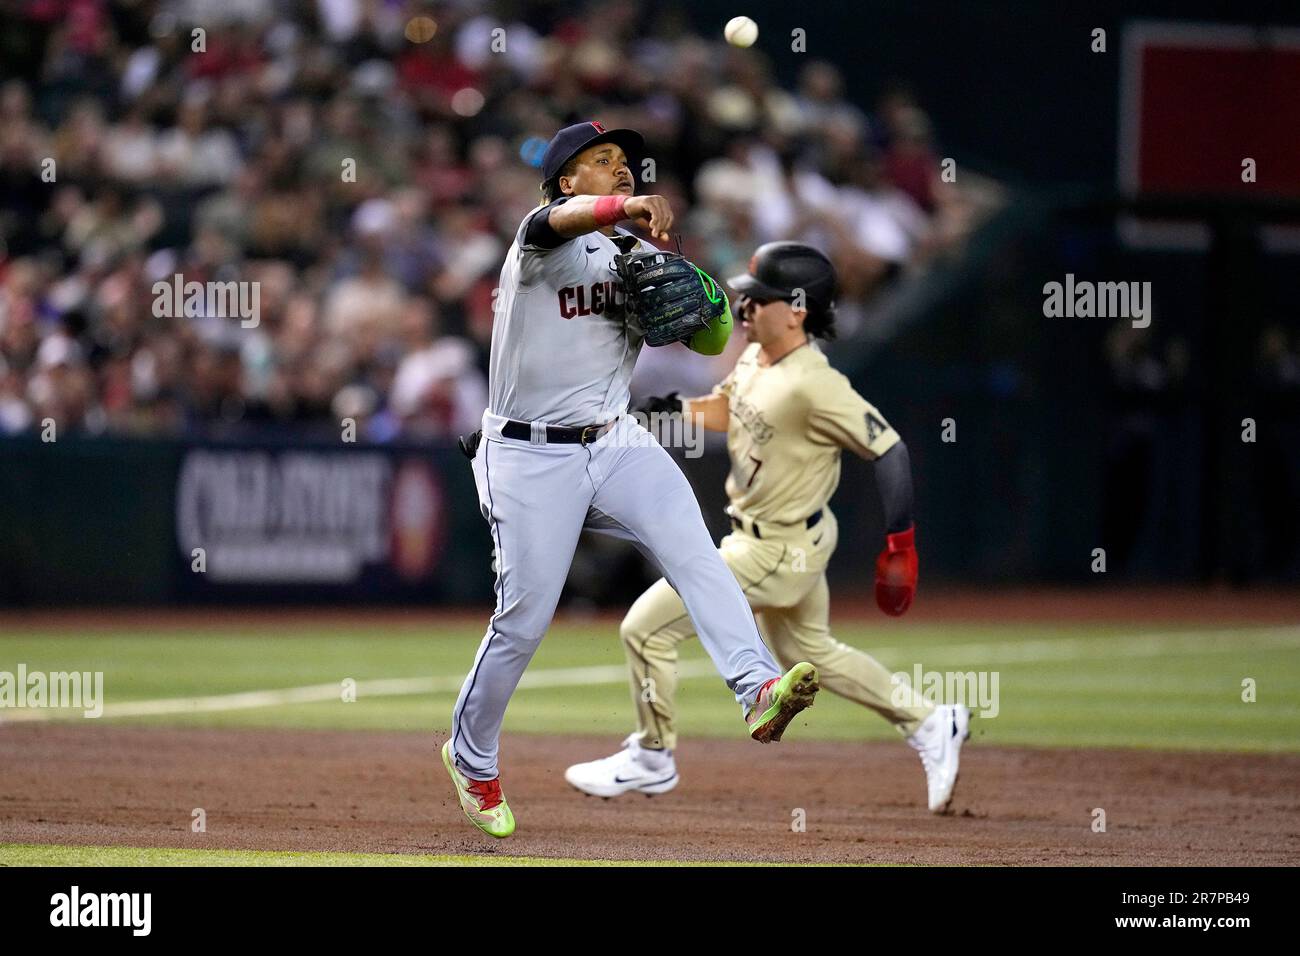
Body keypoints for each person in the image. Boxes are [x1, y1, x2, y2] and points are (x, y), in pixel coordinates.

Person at [441, 124, 821, 838]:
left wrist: (697, 290)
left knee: (696, 552)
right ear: (565, 181)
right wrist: (626, 211)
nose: (621, 170)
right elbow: (557, 221)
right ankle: (471, 757)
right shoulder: (536, 242)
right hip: (527, 455)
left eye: (625, 161)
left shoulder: (636, 250)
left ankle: (758, 687)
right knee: (522, 622)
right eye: (602, 162)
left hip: (615, 440)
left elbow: (709, 338)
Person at [564, 241, 971, 814]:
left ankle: (653, 756)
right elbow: (730, 412)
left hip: (777, 549)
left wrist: (900, 544)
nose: (745, 307)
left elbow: (891, 450)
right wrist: (672, 410)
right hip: (774, 537)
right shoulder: (756, 358)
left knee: (644, 629)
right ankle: (932, 721)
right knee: (814, 654)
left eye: (759, 298)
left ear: (797, 309)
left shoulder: (815, 382)